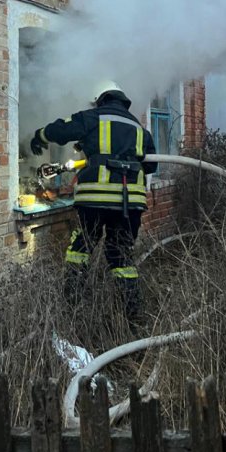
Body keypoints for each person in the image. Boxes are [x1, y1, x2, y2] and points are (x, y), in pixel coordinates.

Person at [30, 81, 157, 323]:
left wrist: (40, 136)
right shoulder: (139, 129)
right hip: (130, 205)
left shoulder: (93, 117)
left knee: (80, 250)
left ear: (100, 99)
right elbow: (151, 164)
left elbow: (62, 130)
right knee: (121, 257)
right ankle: (132, 315)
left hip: (95, 202)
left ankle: (73, 306)